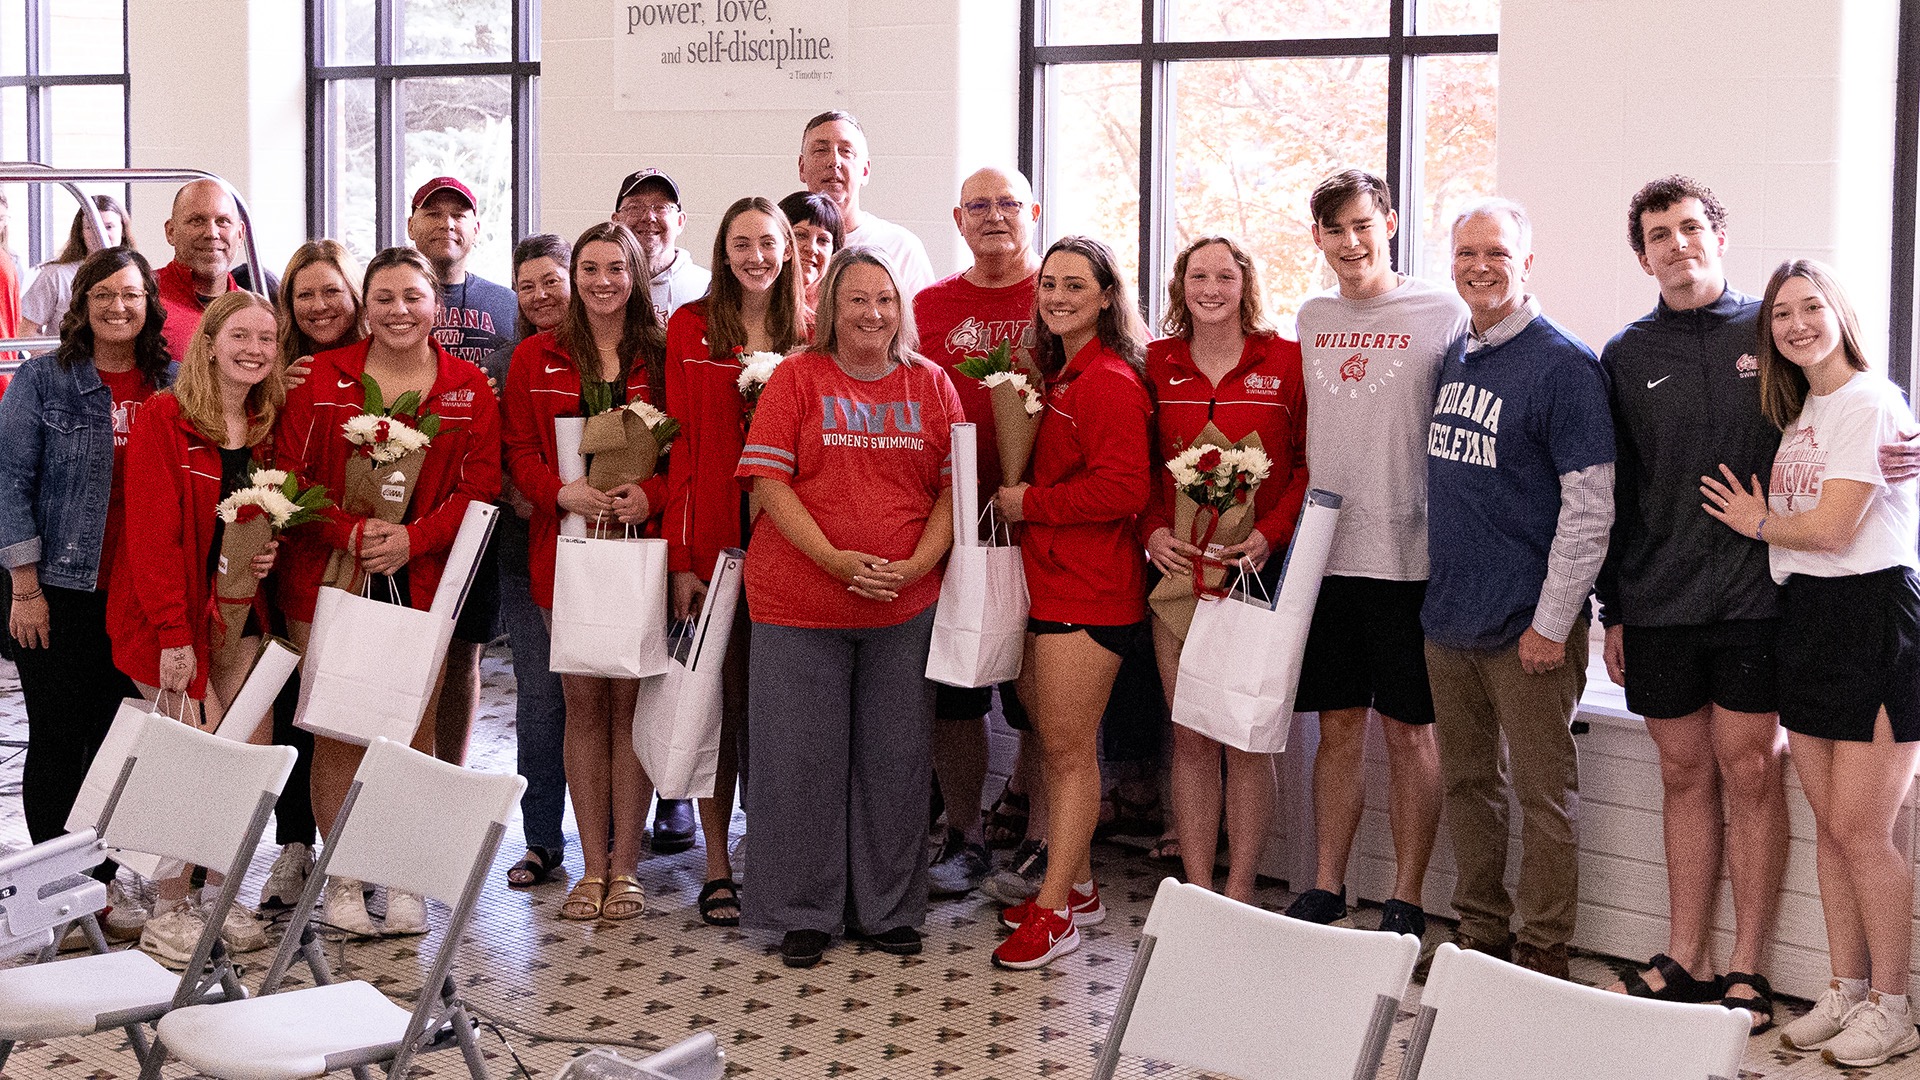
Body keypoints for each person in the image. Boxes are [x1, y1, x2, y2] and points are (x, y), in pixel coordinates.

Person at [1700, 261, 1920, 1067]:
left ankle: (1895, 1006)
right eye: (1782, 314)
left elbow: (1831, 530)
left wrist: (1758, 524)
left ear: (1840, 312)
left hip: (1872, 621)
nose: (1796, 324)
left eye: (1811, 308)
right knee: (1832, 829)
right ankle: (1847, 992)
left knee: (1865, 830)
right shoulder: (1803, 413)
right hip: (1808, 622)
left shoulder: (1870, 400)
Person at [1595, 176, 1788, 1025]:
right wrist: (1615, 610)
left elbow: (1850, 415)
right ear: (1642, 256)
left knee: (1750, 770)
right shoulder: (1626, 355)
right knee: (1681, 772)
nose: (1677, 244)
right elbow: (1617, 494)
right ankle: (1688, 954)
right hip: (1661, 598)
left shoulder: (1775, 330)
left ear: (1717, 234)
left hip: (1759, 598)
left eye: (1689, 227)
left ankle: (1747, 965)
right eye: (1658, 235)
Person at [736, 246, 961, 969]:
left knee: (895, 763)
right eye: (857, 299)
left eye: (886, 300)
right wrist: (835, 561)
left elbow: (957, 490)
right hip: (798, 604)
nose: (873, 312)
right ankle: (803, 910)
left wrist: (917, 565)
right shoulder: (798, 378)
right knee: (797, 762)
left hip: (903, 605)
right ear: (831, 306)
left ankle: (886, 909)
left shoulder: (932, 385)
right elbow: (769, 487)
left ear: (903, 310)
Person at [274, 245, 500, 937]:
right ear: (363, 308)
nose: (399, 310)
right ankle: (344, 877)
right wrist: (350, 532)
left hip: (424, 582)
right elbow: (287, 475)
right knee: (339, 728)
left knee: (412, 733)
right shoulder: (322, 379)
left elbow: (480, 487)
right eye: (384, 298)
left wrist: (416, 538)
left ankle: (404, 874)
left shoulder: (468, 386)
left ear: (437, 304)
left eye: (412, 296)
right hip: (329, 579)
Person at [1421, 200, 1614, 979]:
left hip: (1528, 627)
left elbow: (1591, 507)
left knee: (1544, 799)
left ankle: (1541, 952)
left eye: (1496, 253)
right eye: (1466, 253)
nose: (1479, 266)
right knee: (1469, 786)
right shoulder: (1453, 356)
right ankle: (1480, 933)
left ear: (1526, 261)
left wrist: (1552, 621)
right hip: (1450, 619)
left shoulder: (1563, 365)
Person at [1287, 169, 1467, 940]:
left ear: (1389, 222)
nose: (1350, 242)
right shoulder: (1312, 315)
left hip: (1408, 555)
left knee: (1408, 732)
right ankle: (1328, 885)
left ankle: (1407, 896)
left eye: (1363, 224)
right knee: (1336, 730)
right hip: (1326, 555)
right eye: (1335, 229)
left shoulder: (1441, 309)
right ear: (1319, 237)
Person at [989, 236, 1152, 971]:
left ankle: (1056, 917)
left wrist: (1033, 504)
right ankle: (1076, 886)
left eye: (1074, 285)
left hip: (1088, 591)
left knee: (1065, 753)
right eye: (1048, 284)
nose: (1056, 296)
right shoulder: (1061, 376)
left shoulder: (1110, 380)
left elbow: (1125, 491)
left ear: (1108, 297)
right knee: (1063, 750)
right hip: (1050, 582)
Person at [0, 247, 172, 944]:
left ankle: (94, 889)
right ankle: (53, 891)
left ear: (148, 303)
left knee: (114, 744)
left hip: (138, 595)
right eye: (103, 295)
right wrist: (24, 587)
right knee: (57, 739)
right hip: (58, 592)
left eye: (130, 295)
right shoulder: (43, 382)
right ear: (82, 304)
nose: (117, 308)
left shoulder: (173, 381)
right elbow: (8, 484)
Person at [107, 290, 284, 965]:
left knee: (240, 760)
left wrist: (269, 550)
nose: (254, 350)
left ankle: (221, 889)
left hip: (241, 621)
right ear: (209, 341)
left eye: (266, 339)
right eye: (240, 335)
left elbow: (262, 517)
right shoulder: (165, 418)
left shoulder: (267, 422)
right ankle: (170, 900)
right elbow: (152, 537)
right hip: (169, 620)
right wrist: (174, 639)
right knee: (190, 757)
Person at [500, 222, 668, 923]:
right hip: (562, 552)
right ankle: (590, 868)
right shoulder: (535, 355)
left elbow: (685, 454)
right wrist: (557, 491)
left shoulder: (659, 357)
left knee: (630, 711)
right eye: (590, 269)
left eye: (615, 269)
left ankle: (626, 867)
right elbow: (518, 450)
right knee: (582, 708)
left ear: (635, 275)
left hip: (638, 552)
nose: (602, 282)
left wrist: (650, 495)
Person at [1142, 235, 1308, 905]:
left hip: (1253, 575)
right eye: (1197, 275)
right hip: (1178, 575)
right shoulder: (1155, 362)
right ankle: (1198, 888)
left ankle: (1239, 891)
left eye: (1224, 276)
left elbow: (1306, 465)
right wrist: (1149, 529)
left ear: (1246, 284)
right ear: (1181, 285)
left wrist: (1270, 535)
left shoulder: (1288, 361)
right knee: (1188, 733)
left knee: (1243, 735)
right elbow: (1138, 465)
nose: (1210, 288)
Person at [663, 197, 810, 926]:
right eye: (741, 242)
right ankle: (717, 863)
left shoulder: (812, 331)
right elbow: (683, 450)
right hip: (718, 548)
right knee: (716, 705)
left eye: (768, 242)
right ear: (721, 252)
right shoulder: (691, 327)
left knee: (779, 712)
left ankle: (775, 854)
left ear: (789, 251)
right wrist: (684, 559)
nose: (755, 255)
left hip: (793, 548)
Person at [911, 166, 1043, 899]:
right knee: (956, 688)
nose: (995, 217)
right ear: (958, 220)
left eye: (1008, 204)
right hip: (953, 526)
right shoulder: (929, 305)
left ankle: (1030, 821)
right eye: (979, 206)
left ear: (1033, 212)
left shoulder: (1060, 290)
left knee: (1038, 693)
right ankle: (963, 834)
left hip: (1043, 525)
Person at [252, 238, 367, 913]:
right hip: (285, 557)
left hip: (361, 558)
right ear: (288, 304)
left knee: (354, 709)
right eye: (306, 294)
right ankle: (296, 845)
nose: (320, 305)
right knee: (298, 706)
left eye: (332, 292)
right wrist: (277, 395)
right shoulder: (278, 369)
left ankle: (365, 850)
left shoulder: (382, 366)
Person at [405, 175, 518, 776]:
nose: (446, 223)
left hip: (480, 502)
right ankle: (398, 776)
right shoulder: (391, 295)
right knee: (407, 652)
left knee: (464, 651)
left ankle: (449, 774)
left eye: (459, 214)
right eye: (432, 212)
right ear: (410, 225)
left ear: (477, 230)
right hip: (401, 499)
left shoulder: (506, 304)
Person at [480, 234, 572, 890]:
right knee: (540, 701)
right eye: (527, 284)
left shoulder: (620, 354)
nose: (539, 295)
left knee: (608, 701)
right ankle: (541, 838)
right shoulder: (509, 359)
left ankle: (617, 838)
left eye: (551, 280)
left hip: (610, 552)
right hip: (524, 553)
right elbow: (505, 461)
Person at [797, 111, 936, 298]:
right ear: (802, 168)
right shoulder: (779, 245)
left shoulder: (901, 247)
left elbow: (924, 324)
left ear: (865, 170)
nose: (834, 161)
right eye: (821, 150)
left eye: (846, 151)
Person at [154, 179, 278, 363]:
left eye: (223, 221)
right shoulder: (141, 299)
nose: (212, 233)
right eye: (197, 221)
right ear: (171, 232)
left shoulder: (256, 312)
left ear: (241, 233)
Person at [19, 196, 134, 339]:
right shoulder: (56, 276)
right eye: (90, 227)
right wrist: (58, 360)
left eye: (109, 227)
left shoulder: (137, 275)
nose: (99, 234)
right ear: (81, 231)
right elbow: (26, 331)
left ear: (122, 230)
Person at [612, 169, 711, 324]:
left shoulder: (708, 288)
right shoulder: (600, 287)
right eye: (635, 207)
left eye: (661, 207)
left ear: (680, 222)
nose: (648, 217)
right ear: (616, 221)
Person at [777, 190, 842, 316]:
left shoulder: (840, 315)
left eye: (823, 240)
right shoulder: (753, 308)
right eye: (800, 235)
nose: (811, 248)